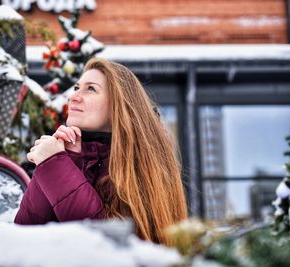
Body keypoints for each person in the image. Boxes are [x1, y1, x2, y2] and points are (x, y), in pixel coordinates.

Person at [14, 58, 188, 245]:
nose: (74, 97)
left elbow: (109, 244)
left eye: (90, 89)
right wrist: (68, 160)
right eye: (76, 88)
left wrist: (55, 165)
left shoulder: (139, 167)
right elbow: (23, 239)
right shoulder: (68, 156)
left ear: (119, 106)